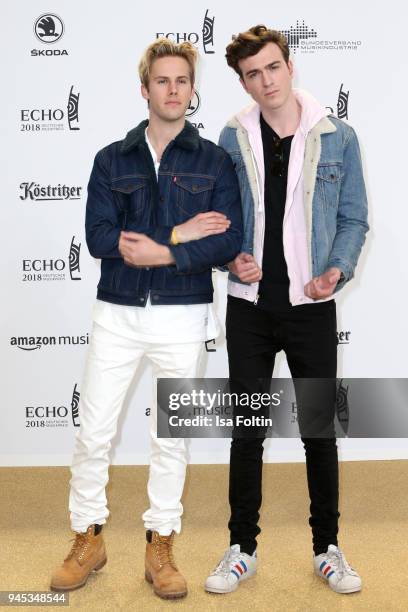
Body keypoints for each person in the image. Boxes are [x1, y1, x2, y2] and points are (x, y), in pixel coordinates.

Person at [50, 38, 242, 600]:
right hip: (118, 311)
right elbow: (102, 238)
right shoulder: (112, 159)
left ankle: (161, 545)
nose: (174, 89)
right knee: (94, 433)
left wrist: (162, 252)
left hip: (183, 317)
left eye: (182, 80)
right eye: (163, 81)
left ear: (192, 89)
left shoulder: (213, 161)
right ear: (145, 89)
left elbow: (229, 237)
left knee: (170, 439)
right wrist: (180, 236)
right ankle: (88, 536)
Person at [205, 25, 368, 595]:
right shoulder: (230, 138)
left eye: (272, 67)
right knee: (247, 431)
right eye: (253, 73)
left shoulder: (337, 135)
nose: (265, 80)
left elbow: (353, 219)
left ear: (289, 65)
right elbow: (216, 219)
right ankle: (241, 549)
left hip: (310, 308)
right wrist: (231, 257)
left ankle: (328, 548)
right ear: (243, 81)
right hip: (249, 308)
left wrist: (336, 270)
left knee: (319, 430)